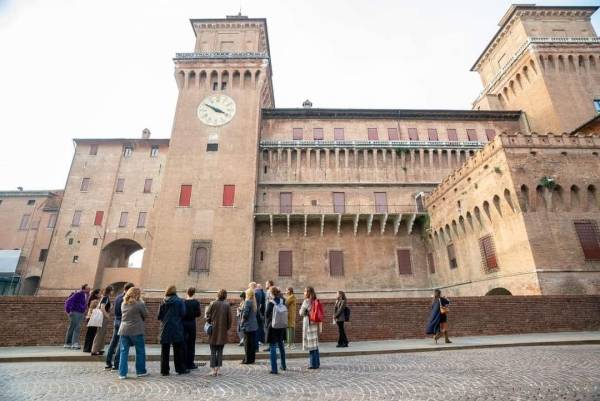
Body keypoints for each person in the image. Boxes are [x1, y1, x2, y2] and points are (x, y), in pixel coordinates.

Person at [117, 287, 148, 380]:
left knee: (123, 352)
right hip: (136, 330)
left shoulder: (123, 303)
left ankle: (122, 374)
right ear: (137, 294)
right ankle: (141, 371)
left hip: (124, 330)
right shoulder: (139, 304)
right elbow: (146, 315)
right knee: (140, 351)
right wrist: (142, 302)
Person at [157, 285, 187, 376]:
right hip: (176, 327)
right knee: (178, 350)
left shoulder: (163, 301)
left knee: (164, 350)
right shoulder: (179, 301)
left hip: (165, 327)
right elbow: (183, 313)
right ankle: (180, 369)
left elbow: (159, 316)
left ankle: (164, 370)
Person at [105, 282, 135, 371]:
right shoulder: (127, 298)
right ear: (129, 289)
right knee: (121, 343)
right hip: (123, 321)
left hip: (116, 320)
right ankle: (116, 364)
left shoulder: (117, 297)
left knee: (113, 341)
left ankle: (108, 363)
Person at [205, 289, 232, 376]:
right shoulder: (227, 305)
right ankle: (218, 369)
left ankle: (213, 370)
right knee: (220, 351)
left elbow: (208, 316)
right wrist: (226, 328)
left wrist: (209, 321)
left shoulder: (212, 303)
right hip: (222, 331)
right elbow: (230, 319)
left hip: (213, 330)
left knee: (213, 350)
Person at [265, 286, 287, 374]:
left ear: (271, 293)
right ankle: (283, 365)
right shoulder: (283, 301)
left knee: (273, 346)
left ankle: (274, 369)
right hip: (281, 326)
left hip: (273, 327)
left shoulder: (271, 303)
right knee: (281, 345)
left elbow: (266, 315)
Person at [64, 284, 90, 350]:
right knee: (73, 327)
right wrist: (69, 311)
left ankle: (72, 343)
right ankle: (70, 343)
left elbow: (85, 304)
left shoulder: (87, 295)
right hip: (75, 312)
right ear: (83, 289)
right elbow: (68, 301)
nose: (89, 289)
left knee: (77, 327)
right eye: (87, 288)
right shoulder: (78, 294)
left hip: (81, 313)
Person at [300, 286, 320, 369]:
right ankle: (317, 363)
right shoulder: (315, 300)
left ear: (308, 293)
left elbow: (301, 313)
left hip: (308, 323)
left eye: (305, 291)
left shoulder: (306, 301)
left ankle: (312, 364)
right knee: (315, 344)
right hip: (314, 323)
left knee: (311, 345)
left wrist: (303, 311)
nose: (304, 293)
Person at [91, 285, 114, 355]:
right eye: (112, 290)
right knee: (100, 333)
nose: (113, 292)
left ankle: (99, 348)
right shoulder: (105, 298)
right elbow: (102, 307)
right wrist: (107, 315)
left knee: (103, 333)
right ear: (110, 291)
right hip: (103, 317)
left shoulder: (106, 298)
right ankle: (94, 350)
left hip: (104, 317)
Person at [182, 287, 201, 370]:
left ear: (187, 293)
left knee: (184, 343)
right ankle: (190, 363)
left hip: (184, 324)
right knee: (191, 344)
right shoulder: (196, 302)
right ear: (194, 293)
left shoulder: (183, 302)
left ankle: (184, 362)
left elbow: (181, 313)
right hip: (192, 323)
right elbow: (198, 314)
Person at [240, 288, 258, 364]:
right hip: (253, 326)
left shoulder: (247, 302)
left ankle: (247, 360)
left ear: (248, 294)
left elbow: (245, 314)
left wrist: (242, 322)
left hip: (247, 326)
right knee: (252, 343)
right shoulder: (254, 302)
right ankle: (252, 359)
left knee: (247, 344)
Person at [83, 288, 101, 353]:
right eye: (99, 293)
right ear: (96, 294)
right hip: (93, 318)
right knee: (91, 334)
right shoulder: (95, 301)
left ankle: (87, 348)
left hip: (90, 318)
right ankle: (88, 348)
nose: (100, 294)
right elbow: (95, 309)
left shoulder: (92, 300)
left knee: (90, 334)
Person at [254, 283, 266, 349]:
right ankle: (261, 340)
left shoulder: (258, 293)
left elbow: (261, 304)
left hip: (260, 312)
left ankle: (259, 340)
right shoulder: (263, 293)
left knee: (259, 327)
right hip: (261, 312)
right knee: (261, 326)